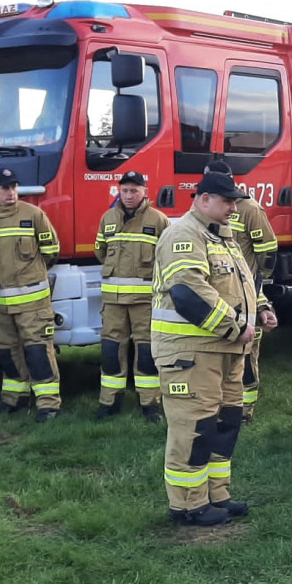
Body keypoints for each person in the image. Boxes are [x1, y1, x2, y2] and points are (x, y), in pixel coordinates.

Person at [152, 171, 264, 526]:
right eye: (227, 201)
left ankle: (217, 494)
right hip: (191, 351)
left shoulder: (223, 237)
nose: (234, 207)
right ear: (202, 199)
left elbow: (244, 283)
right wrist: (236, 327)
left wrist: (263, 309)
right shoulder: (184, 235)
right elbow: (188, 292)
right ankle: (187, 505)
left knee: (225, 422)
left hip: (225, 349)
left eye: (234, 201)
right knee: (194, 426)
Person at [0, 167, 62, 423]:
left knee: (38, 351)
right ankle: (14, 399)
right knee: (7, 352)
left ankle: (48, 405)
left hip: (33, 302)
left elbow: (51, 250)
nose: (11, 192)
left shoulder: (34, 214)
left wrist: (30, 276)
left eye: (14, 187)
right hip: (1, 303)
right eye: (5, 188)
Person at [204, 160, 279, 423]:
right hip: (218, 292)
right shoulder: (204, 215)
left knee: (245, 356)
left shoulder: (249, 209)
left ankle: (245, 410)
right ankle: (219, 406)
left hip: (246, 293)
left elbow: (267, 251)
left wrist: (259, 285)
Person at [94, 171, 171, 422]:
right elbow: (100, 251)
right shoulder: (107, 218)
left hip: (145, 302)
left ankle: (150, 404)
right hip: (113, 302)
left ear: (144, 192)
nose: (128, 196)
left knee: (147, 351)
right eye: (124, 190)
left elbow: (168, 259)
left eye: (134, 191)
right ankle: (109, 401)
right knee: (110, 349)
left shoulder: (158, 220)